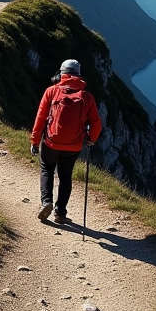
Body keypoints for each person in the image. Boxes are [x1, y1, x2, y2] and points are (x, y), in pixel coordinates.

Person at [30, 59, 103, 224]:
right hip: (74, 145)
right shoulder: (86, 97)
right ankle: (60, 212)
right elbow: (97, 123)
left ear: (61, 74)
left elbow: (40, 118)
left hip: (51, 142)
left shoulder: (51, 91)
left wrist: (35, 141)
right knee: (65, 176)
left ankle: (46, 202)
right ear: (78, 75)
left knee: (47, 170)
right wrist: (91, 139)